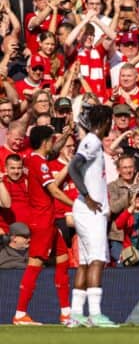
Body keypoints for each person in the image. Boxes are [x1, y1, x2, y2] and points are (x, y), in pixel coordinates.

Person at [13, 126, 74, 325]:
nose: (52, 144)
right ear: (45, 142)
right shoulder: (41, 164)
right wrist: (76, 205)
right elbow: (54, 191)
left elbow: (54, 149)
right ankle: (20, 314)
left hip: (47, 219)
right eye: (51, 140)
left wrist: (66, 134)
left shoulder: (31, 158)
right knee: (35, 265)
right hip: (42, 220)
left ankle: (66, 313)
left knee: (63, 261)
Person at [67, 104, 118, 328]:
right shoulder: (93, 141)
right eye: (111, 120)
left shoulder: (92, 142)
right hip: (90, 210)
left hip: (90, 210)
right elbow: (73, 167)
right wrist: (86, 195)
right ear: (105, 121)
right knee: (97, 259)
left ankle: (76, 314)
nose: (112, 125)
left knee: (86, 262)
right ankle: (95, 314)